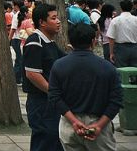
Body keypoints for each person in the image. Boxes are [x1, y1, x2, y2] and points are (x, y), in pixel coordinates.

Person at [48, 23, 123, 151]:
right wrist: (99, 125)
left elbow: (54, 97)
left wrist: (74, 121)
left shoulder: (59, 66)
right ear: (93, 41)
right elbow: (116, 100)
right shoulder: (107, 68)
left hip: (69, 123)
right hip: (99, 122)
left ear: (71, 42)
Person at [22, 3, 65, 151]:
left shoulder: (50, 42)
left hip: (50, 101)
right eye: (53, 18)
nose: (58, 21)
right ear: (42, 22)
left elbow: (65, 61)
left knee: (54, 139)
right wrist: (53, 92)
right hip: (40, 102)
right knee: (45, 140)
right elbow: (32, 74)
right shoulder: (35, 42)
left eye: (57, 17)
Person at [107, 0, 137, 67]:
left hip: (120, 49)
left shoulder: (115, 20)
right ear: (132, 8)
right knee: (135, 71)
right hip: (135, 48)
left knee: (122, 72)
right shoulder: (136, 19)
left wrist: (111, 53)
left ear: (120, 8)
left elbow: (111, 38)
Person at [9, 1, 26, 85]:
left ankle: (17, 77)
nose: (13, 7)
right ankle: (17, 78)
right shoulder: (19, 15)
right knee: (20, 59)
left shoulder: (17, 15)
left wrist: (9, 39)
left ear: (16, 6)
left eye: (13, 6)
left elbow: (13, 29)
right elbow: (13, 28)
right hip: (19, 39)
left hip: (17, 39)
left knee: (19, 59)